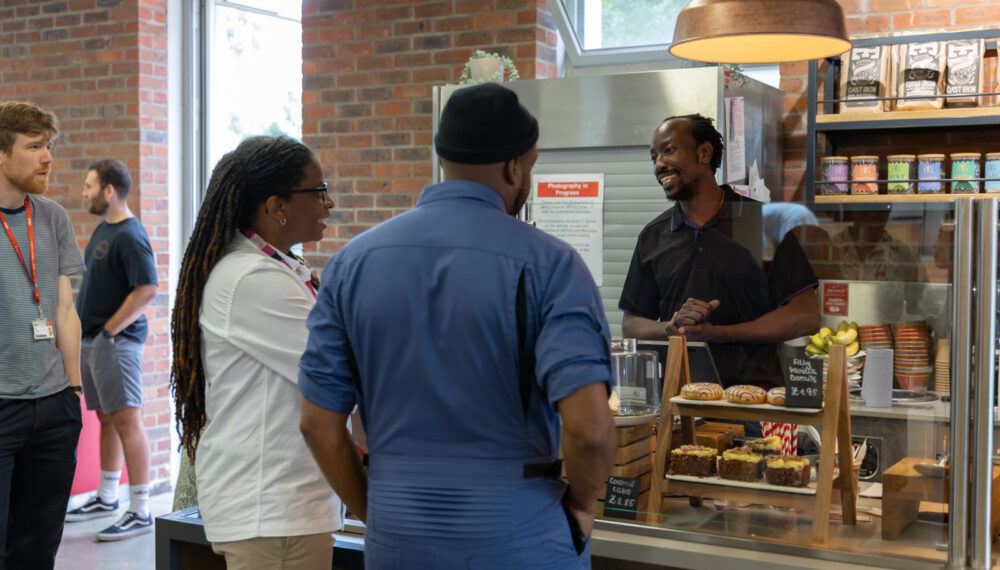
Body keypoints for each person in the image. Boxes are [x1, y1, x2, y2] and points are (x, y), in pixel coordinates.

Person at [299, 83, 617, 569]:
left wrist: (377, 514)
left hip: (396, 538)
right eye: (529, 168)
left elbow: (318, 424)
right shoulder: (551, 266)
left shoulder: (350, 265)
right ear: (516, 166)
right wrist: (582, 506)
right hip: (522, 534)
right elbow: (591, 431)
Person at [170, 135, 341, 570]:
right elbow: (340, 368)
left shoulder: (277, 266)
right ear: (277, 206)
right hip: (272, 511)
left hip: (281, 506)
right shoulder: (254, 279)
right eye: (318, 192)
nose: (330, 204)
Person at [619, 114, 820, 390]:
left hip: (751, 403)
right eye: (654, 157)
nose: (659, 165)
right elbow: (631, 325)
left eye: (668, 151)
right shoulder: (653, 236)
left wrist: (721, 334)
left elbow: (805, 316)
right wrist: (669, 327)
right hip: (678, 402)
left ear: (704, 153)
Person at [0, 100, 84, 569]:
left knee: (36, 550)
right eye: (33, 147)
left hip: (53, 407)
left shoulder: (51, 218)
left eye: (48, 146)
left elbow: (63, 309)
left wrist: (72, 390)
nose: (48, 157)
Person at [65, 160, 158, 541]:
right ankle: (106, 497)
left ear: (108, 190)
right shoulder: (105, 230)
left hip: (115, 343)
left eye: (88, 186)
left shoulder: (132, 235)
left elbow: (147, 288)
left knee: (127, 420)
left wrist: (108, 331)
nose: (83, 193)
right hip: (96, 342)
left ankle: (140, 509)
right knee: (106, 418)